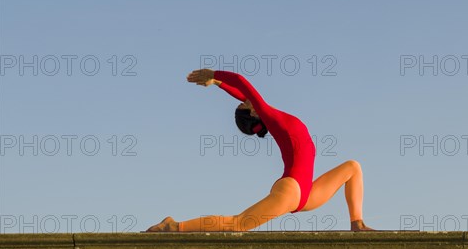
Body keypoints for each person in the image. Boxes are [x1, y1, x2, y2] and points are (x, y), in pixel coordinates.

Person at [145, 69, 375, 232]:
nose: (245, 100)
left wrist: (218, 84)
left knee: (352, 168)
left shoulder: (270, 116)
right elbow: (241, 82)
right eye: (244, 103)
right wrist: (215, 74)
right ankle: (174, 226)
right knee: (239, 223)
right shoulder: (269, 116)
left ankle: (357, 223)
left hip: (308, 195)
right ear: (253, 113)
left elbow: (240, 93)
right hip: (291, 189)